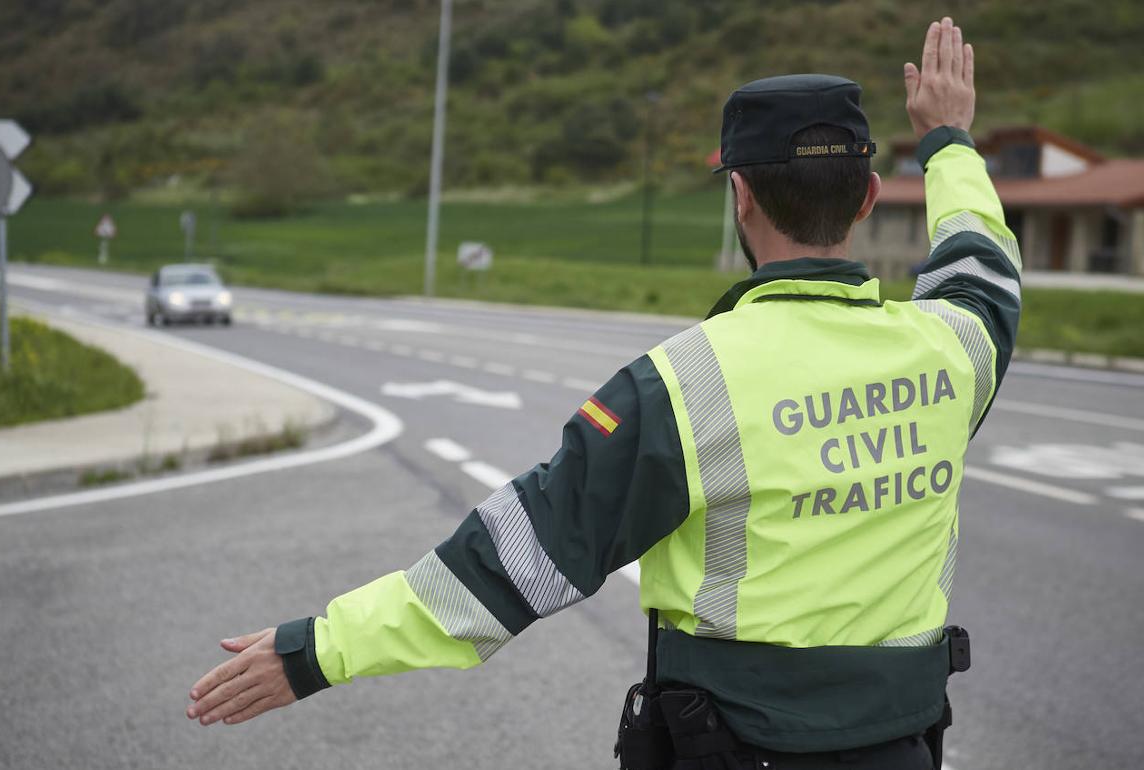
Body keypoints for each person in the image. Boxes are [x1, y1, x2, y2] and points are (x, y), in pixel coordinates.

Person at [186, 17, 1019, 770]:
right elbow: (982, 264)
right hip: (905, 749)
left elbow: (510, 563)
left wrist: (316, 651)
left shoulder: (683, 385)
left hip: (732, 753)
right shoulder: (954, 350)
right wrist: (946, 140)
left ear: (740, 196)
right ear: (869, 198)